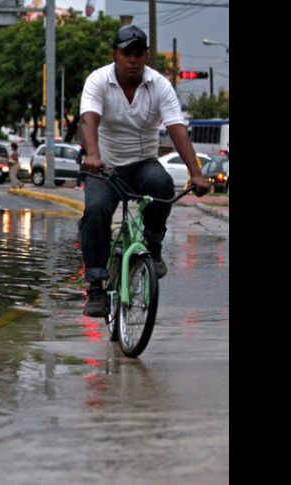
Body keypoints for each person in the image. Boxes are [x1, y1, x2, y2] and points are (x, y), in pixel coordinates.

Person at [79, 25, 210, 318]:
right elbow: (89, 119)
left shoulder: (159, 84)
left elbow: (177, 128)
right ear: (115, 54)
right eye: (126, 53)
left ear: (146, 56)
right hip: (105, 167)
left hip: (142, 163)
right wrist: (93, 156)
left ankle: (153, 244)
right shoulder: (98, 80)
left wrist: (196, 173)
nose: (133, 60)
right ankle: (96, 286)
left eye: (139, 54)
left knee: (162, 185)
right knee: (96, 210)